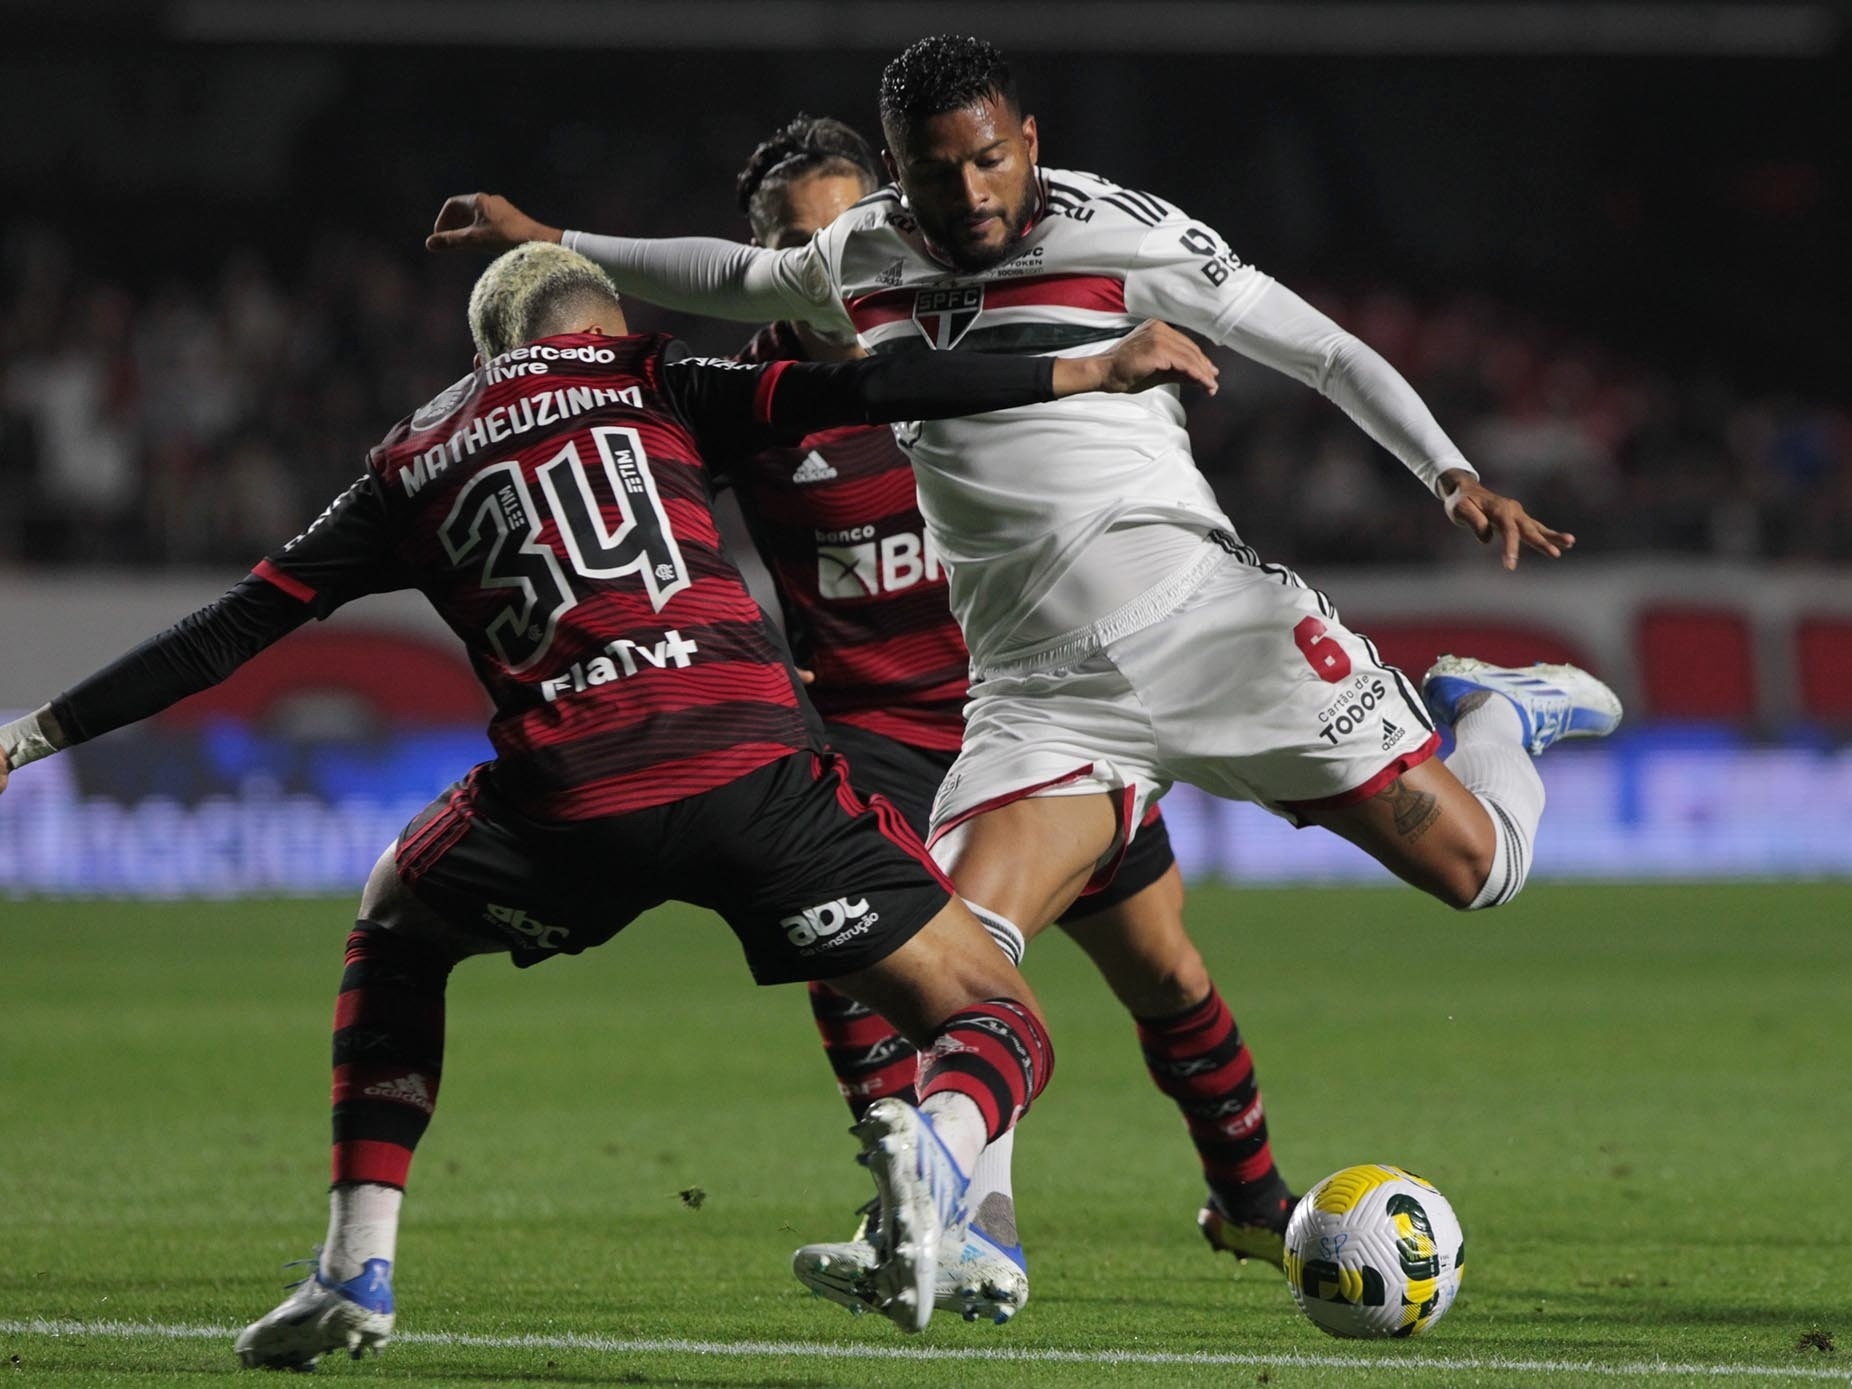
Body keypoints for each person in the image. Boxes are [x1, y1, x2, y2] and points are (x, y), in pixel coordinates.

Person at [426, 31, 1621, 1311]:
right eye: (940, 174)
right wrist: (559, 238)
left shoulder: (1130, 237)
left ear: (1029, 143)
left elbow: (1320, 348)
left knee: (1478, 872)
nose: (972, 195)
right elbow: (739, 272)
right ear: (901, 171)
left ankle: (1494, 706)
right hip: (1040, 689)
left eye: (991, 161)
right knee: (960, 961)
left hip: (1206, 626)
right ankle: (953, 1225)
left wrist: (1448, 472)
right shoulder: (867, 251)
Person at [0, 242, 1221, 1357]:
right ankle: (941, 1160)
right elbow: (873, 392)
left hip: (571, 796)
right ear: (604, 323)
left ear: (489, 355)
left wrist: (32, 735)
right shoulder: (657, 380)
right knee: (999, 1019)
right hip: (753, 767)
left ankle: (353, 1269)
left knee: (395, 918)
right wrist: (1091, 368)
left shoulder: (410, 459)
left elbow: (228, 630)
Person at [717, 114, 1295, 1324]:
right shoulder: (746, 399)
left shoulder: (968, 340)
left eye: (838, 228)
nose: (822, 257)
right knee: (882, 961)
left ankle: (1249, 1202)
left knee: (1166, 972)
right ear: (761, 255)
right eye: (791, 239)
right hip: (877, 737)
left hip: (1038, 713)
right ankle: (962, 1224)